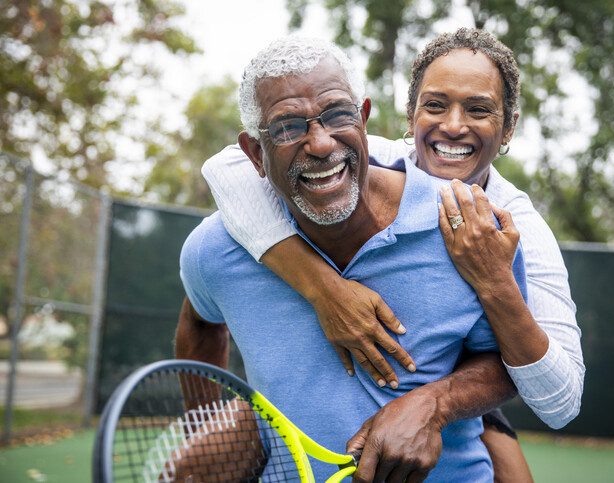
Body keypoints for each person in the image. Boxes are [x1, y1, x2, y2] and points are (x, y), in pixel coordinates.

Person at [200, 28, 585, 480]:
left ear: (508, 127)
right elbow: (226, 167)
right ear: (411, 114)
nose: (454, 125)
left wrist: (491, 282)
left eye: (478, 109)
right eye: (436, 105)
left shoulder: (517, 226)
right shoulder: (362, 154)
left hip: (474, 378)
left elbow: (559, 401)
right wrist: (326, 291)